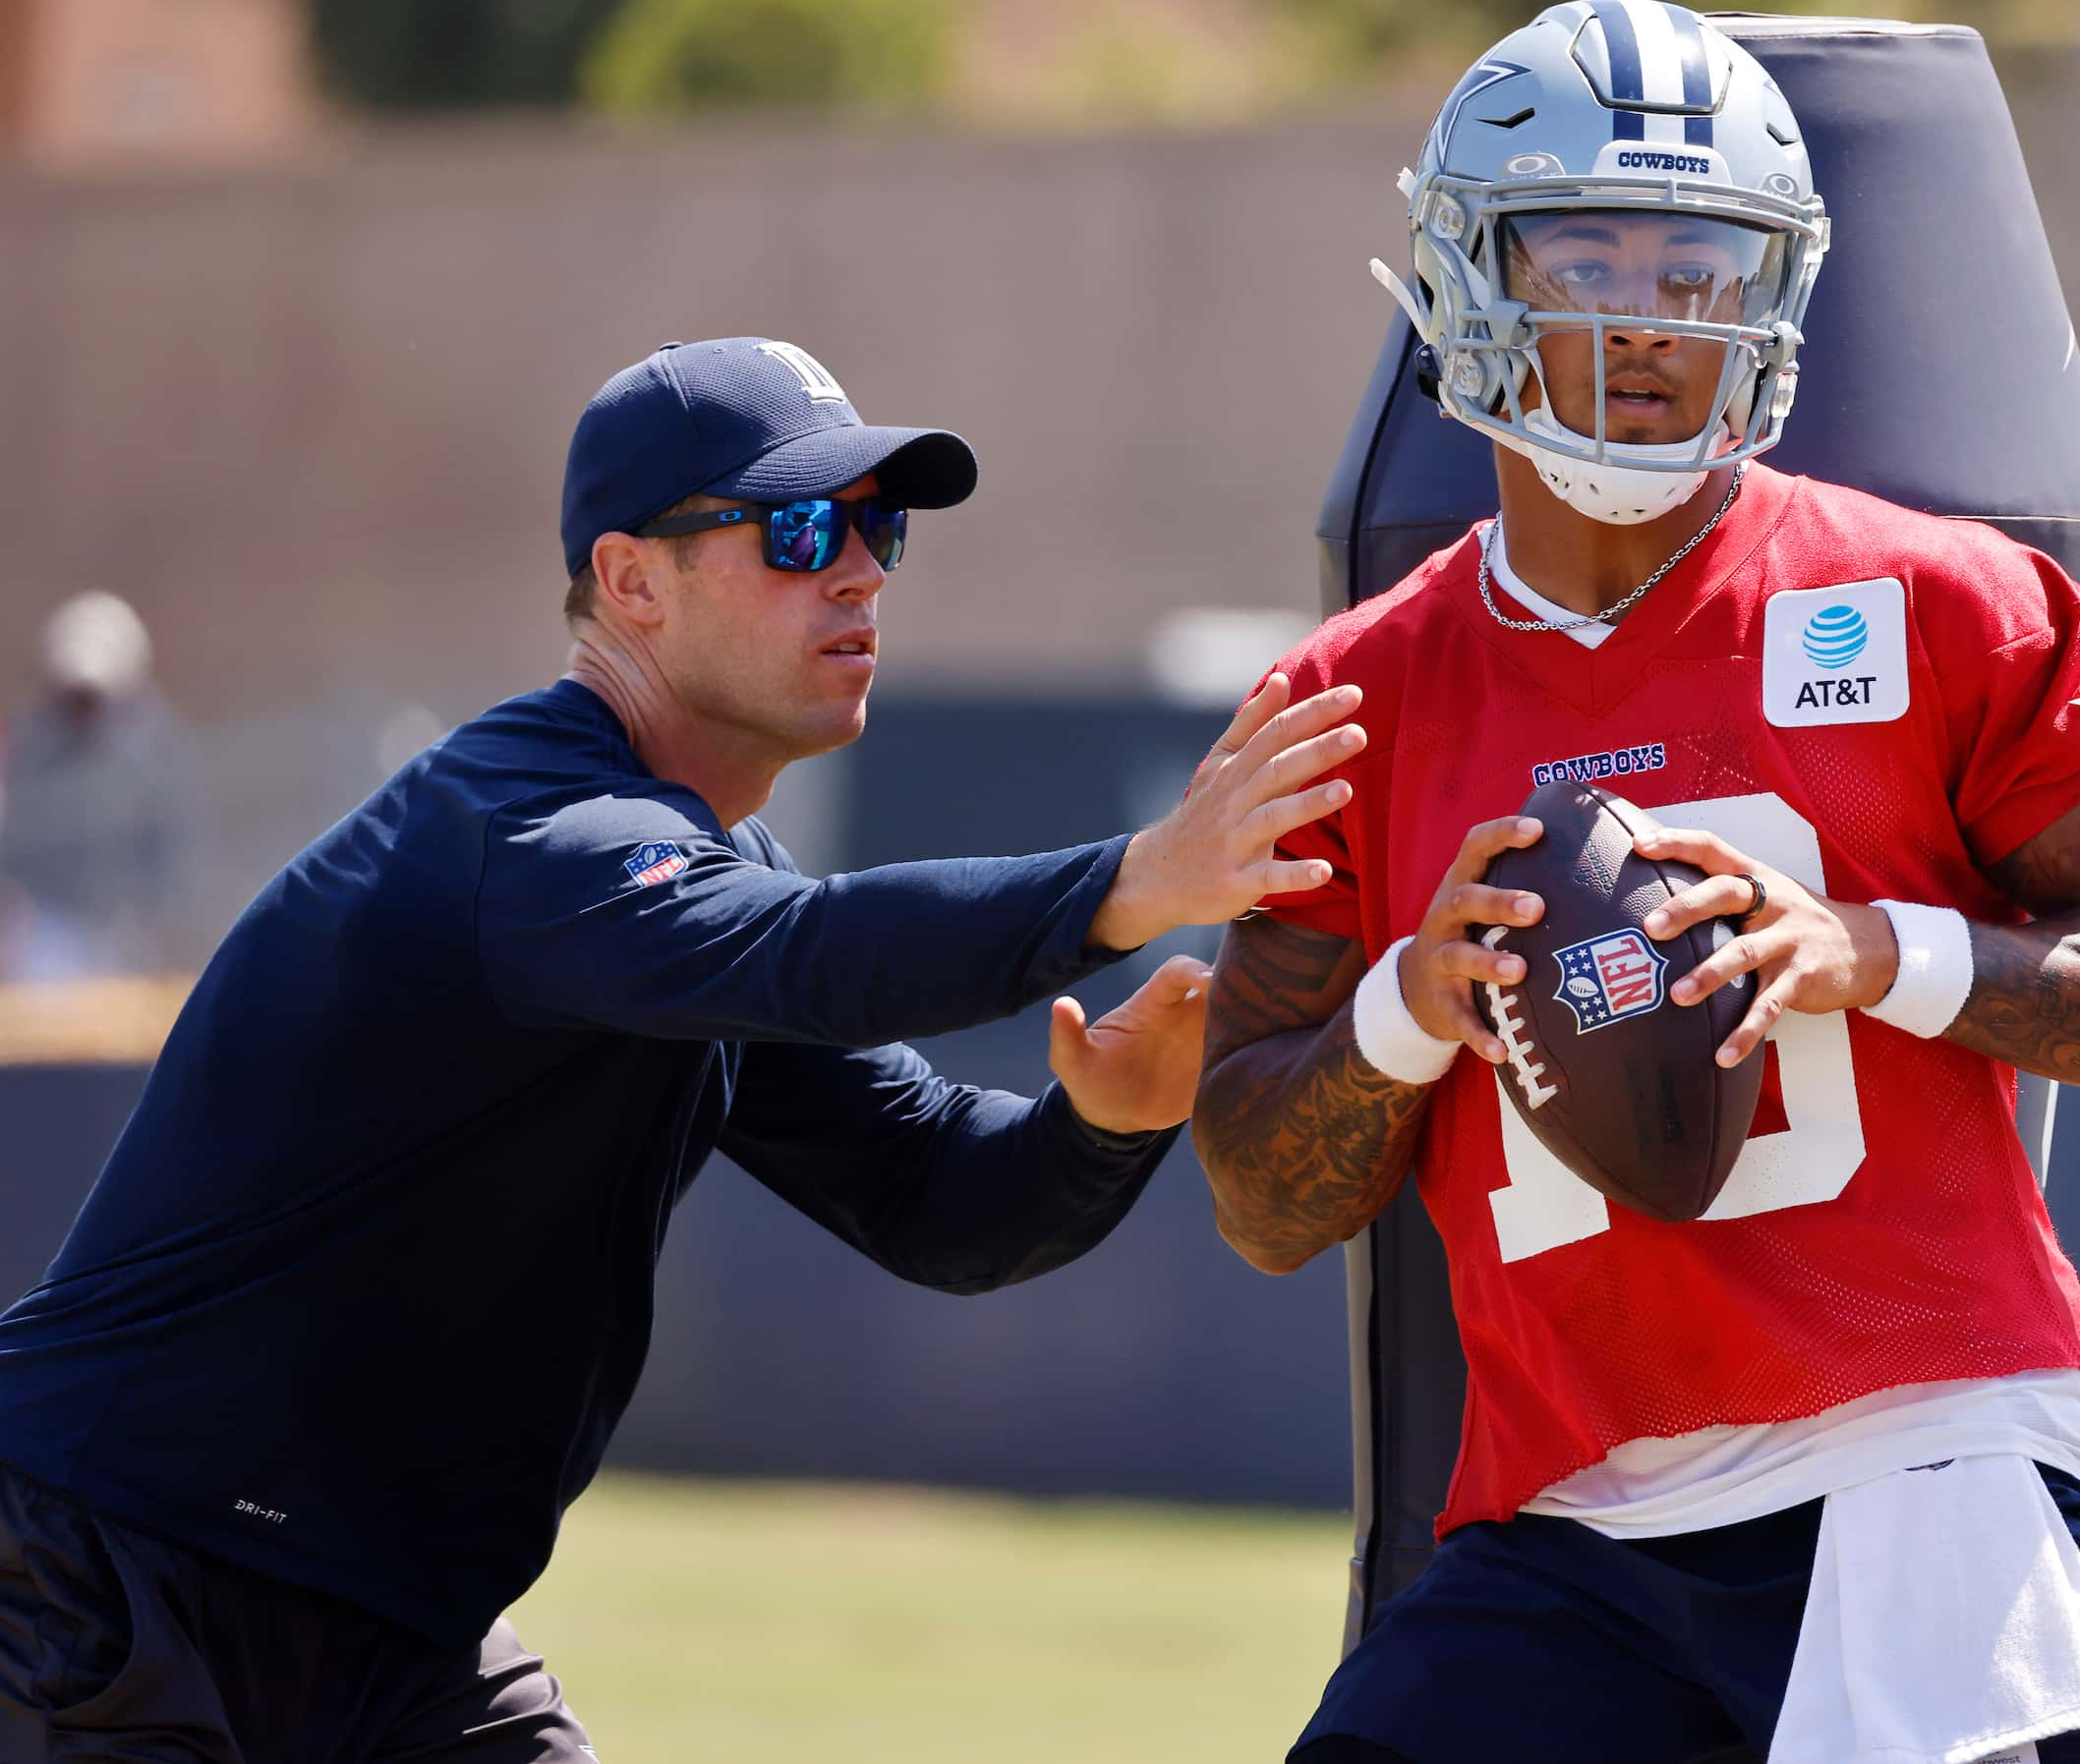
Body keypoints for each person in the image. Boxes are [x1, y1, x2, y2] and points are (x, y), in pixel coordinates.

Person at [0, 336, 1362, 1763]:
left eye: (877, 527)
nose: (859, 571)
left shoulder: (690, 890)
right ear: (632, 581)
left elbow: (942, 1203)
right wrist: (1140, 877)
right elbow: (811, 950)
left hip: (392, 1624)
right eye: (796, 527)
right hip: (109, 1575)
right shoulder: (529, 832)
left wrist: (1105, 1123)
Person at [1192, 2, 2080, 1763]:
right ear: (1467, 275)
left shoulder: (1941, 602)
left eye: (1699, 264)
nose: (1641, 317)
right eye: (1581, 252)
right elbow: (1258, 1196)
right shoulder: (1346, 700)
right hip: (1573, 1508)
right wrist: (1409, 1005)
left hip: (1920, 1453)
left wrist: (1881, 950)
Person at [0, 592, 201, 981]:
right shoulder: (32, 744)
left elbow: (169, 844)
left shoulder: (152, 751)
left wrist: (156, 916)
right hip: (48, 923)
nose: (84, 708)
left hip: (123, 927)